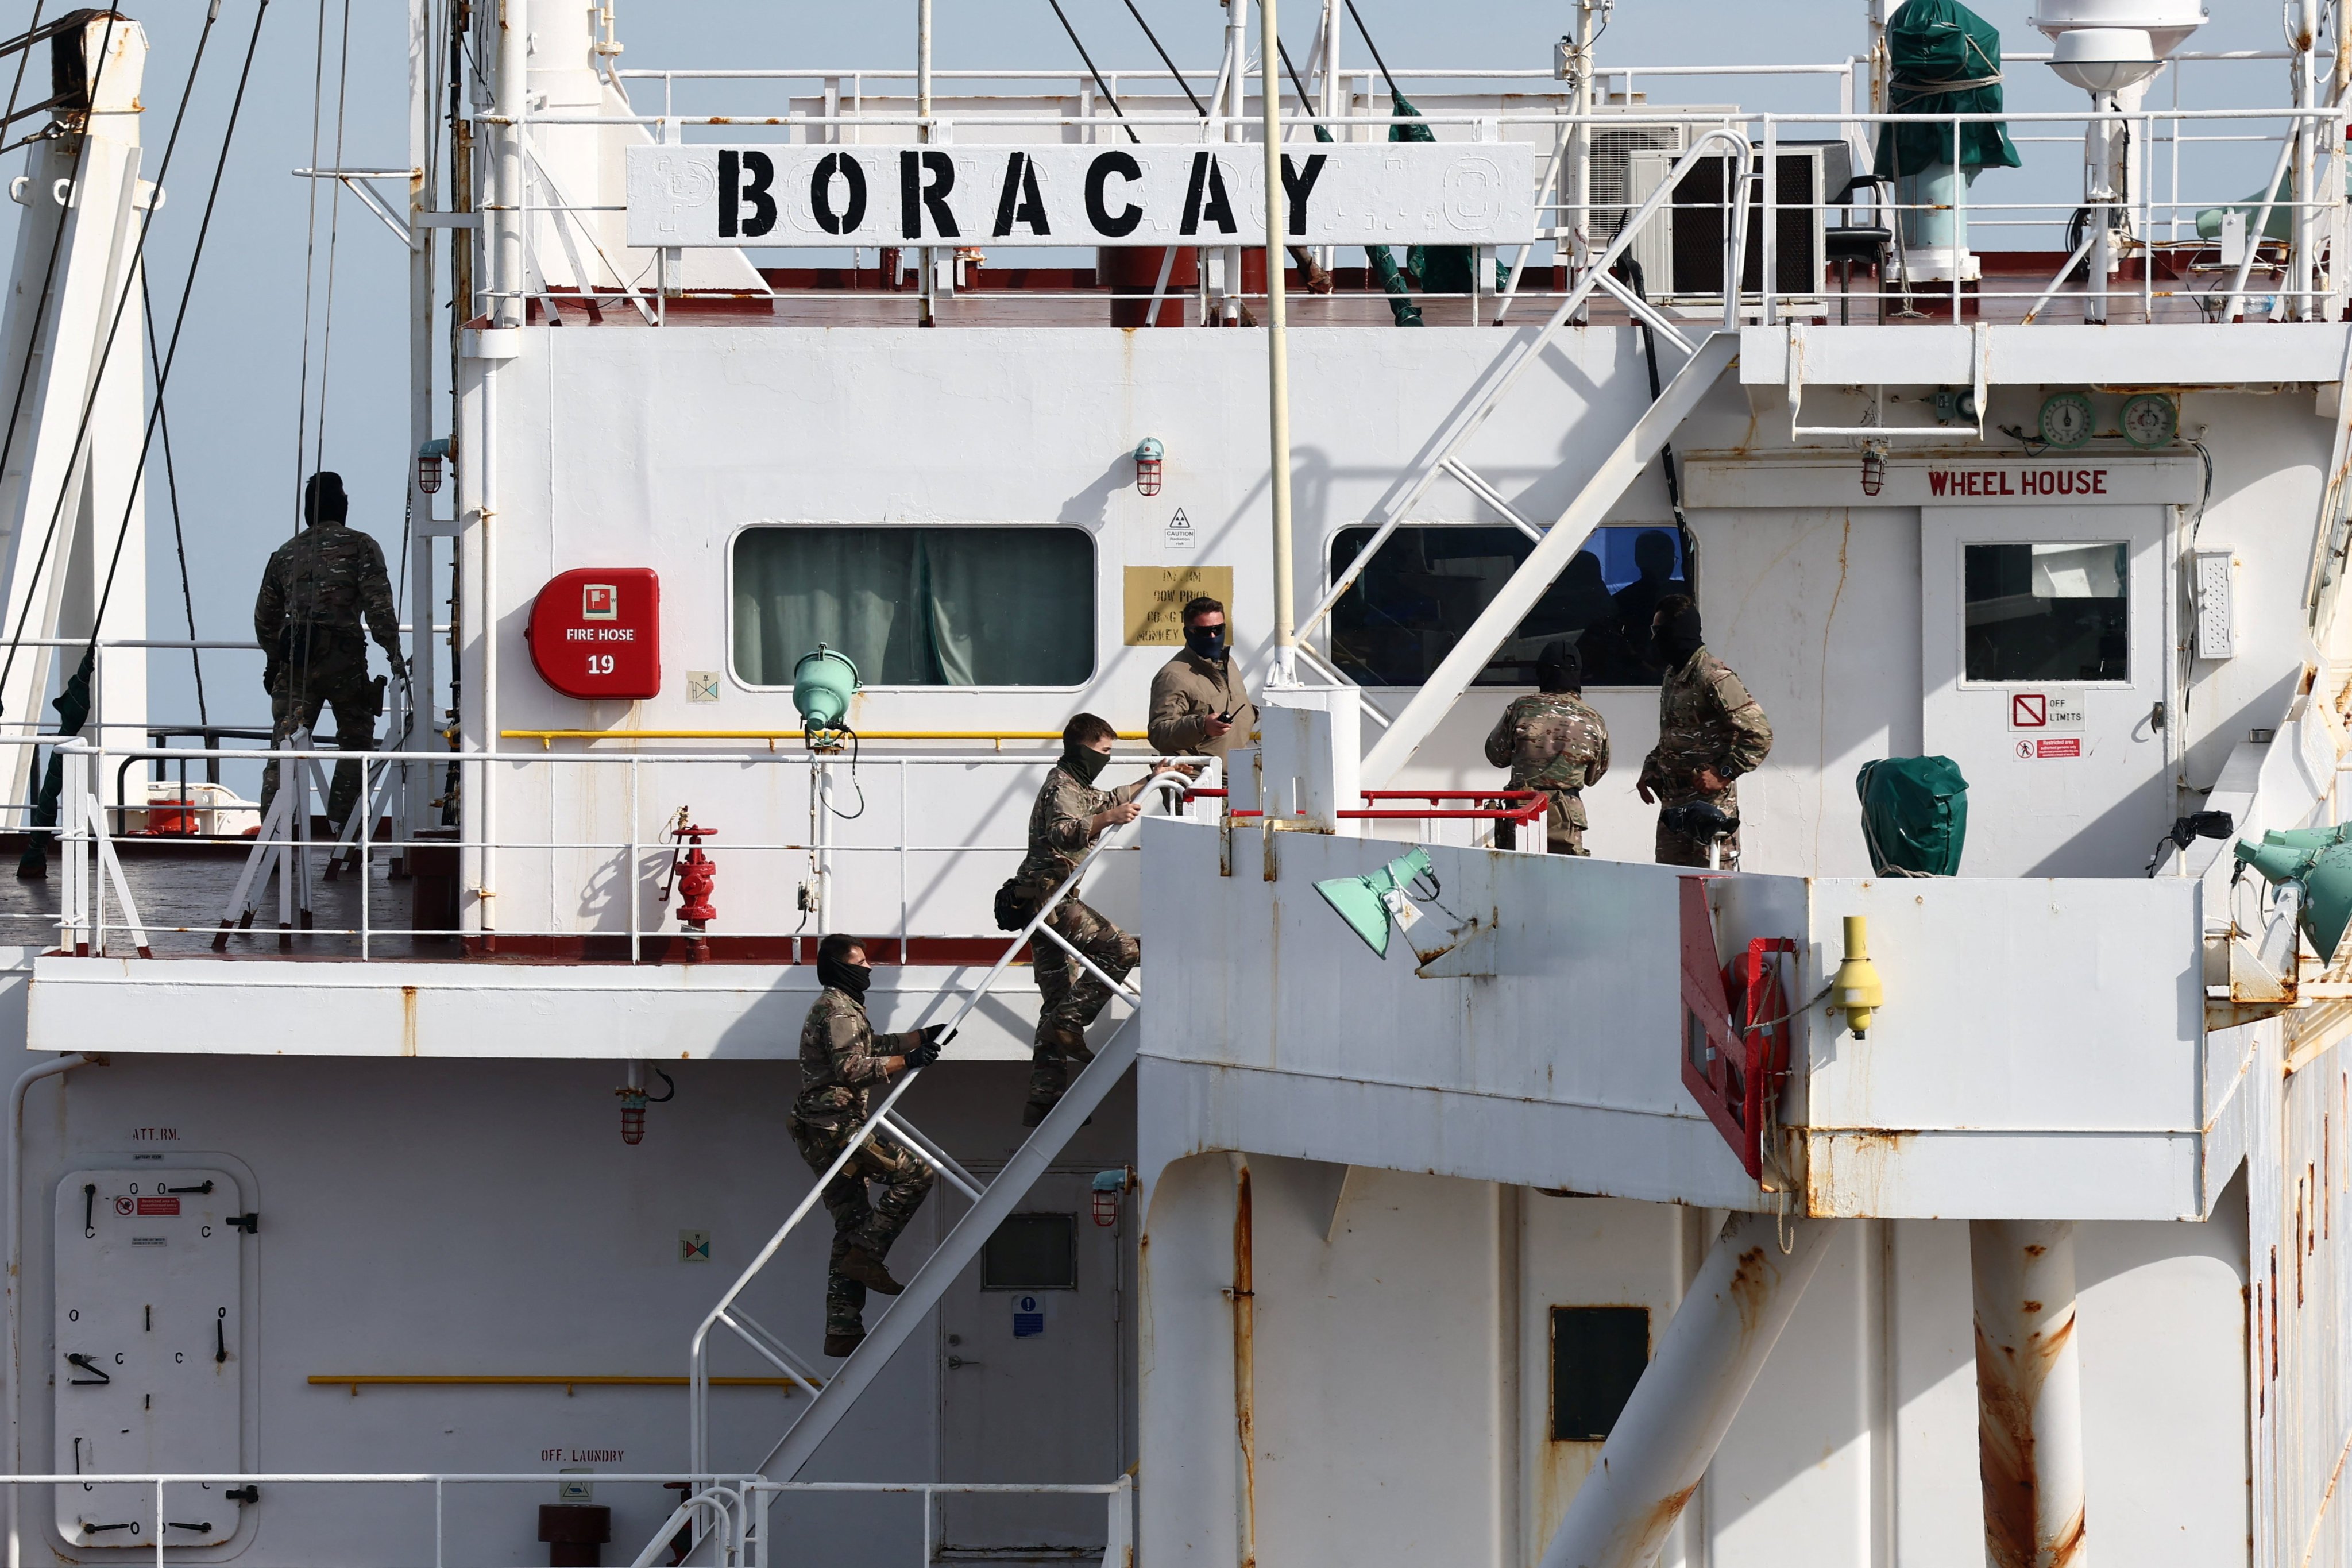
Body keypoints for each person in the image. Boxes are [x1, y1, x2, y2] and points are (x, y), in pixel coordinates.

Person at [786, 932, 947, 1358]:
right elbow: (854, 1067)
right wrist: (906, 1063)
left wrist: (918, 1038)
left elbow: (868, 1047)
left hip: (821, 1126)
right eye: (860, 961)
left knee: (851, 1222)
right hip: (834, 1126)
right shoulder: (838, 1010)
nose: (868, 967)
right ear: (842, 966)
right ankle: (867, 1254)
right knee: (916, 1173)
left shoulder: (841, 1007)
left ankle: (842, 1329)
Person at [1006, 713, 1162, 1126]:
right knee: (1122, 949)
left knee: (1057, 997)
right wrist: (1109, 820)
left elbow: (1106, 799)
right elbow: (1064, 831)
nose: (1106, 760)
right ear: (1083, 748)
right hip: (1047, 900)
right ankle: (1069, 1023)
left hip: (1043, 901)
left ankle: (1043, 1099)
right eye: (1104, 751)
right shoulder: (1060, 786)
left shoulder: (1075, 786)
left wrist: (1153, 778)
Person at [252, 472, 407, 836]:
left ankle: (274, 835)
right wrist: (394, 653)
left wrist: (276, 659)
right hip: (345, 662)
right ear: (344, 506)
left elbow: (265, 618)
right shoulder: (361, 546)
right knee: (355, 742)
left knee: (285, 746)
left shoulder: (286, 553)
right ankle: (347, 828)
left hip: (296, 664)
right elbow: (378, 606)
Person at [1637, 596, 1773, 869]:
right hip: (1674, 808)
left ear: (1678, 633)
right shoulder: (1673, 675)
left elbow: (1760, 734)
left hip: (1710, 809)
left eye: (1659, 633)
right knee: (1672, 890)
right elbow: (1674, 734)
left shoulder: (1714, 676)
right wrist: (1651, 768)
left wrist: (1723, 774)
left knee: (1713, 893)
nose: (1654, 641)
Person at [1484, 641, 1609, 855]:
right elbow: (1593, 776)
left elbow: (1496, 756)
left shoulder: (1521, 708)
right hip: (1567, 819)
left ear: (1542, 673)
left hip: (1524, 810)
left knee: (1517, 875)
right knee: (1565, 877)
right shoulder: (1593, 718)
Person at [1148, 595, 1250, 762]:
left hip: (1237, 773)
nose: (1212, 636)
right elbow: (1159, 734)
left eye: (1218, 630)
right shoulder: (1173, 676)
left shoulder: (1228, 662)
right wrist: (1201, 725)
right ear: (1188, 633)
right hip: (1198, 777)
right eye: (1203, 632)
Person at [1609, 530, 1688, 674]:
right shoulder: (1622, 601)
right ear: (1640, 560)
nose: (1665, 565)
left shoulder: (1621, 599)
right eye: (1658, 558)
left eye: (1669, 558)